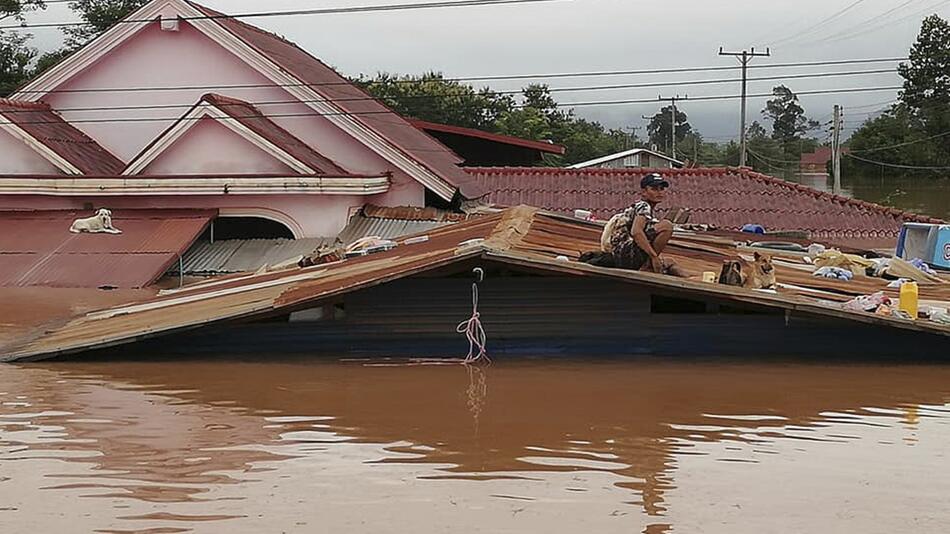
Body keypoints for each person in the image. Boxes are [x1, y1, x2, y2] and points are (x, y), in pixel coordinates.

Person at [604, 173, 683, 275]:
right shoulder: (643, 206)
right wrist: (654, 257)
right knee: (666, 226)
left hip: (622, 254)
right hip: (625, 254)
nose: (659, 192)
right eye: (654, 189)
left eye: (661, 189)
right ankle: (647, 266)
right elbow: (636, 232)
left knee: (670, 262)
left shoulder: (644, 209)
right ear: (644, 192)